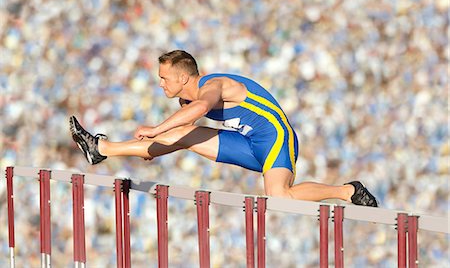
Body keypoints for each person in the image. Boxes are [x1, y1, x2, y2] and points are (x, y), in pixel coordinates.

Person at [70, 50, 378, 207]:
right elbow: (174, 136)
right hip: (245, 142)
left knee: (279, 197)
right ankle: (101, 148)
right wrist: (156, 143)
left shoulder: (211, 86)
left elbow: (202, 109)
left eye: (164, 77)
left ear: (182, 78)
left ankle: (348, 191)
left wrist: (155, 129)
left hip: (274, 137)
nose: (160, 82)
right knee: (181, 136)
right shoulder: (186, 99)